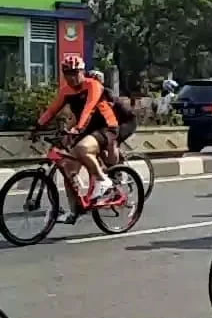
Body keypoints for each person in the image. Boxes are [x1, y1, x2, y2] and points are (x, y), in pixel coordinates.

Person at [35, 55, 119, 220]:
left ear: (82, 71)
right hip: (85, 130)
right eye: (67, 74)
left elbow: (89, 108)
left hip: (105, 127)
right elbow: (52, 110)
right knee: (68, 171)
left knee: (82, 149)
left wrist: (78, 128)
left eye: (75, 73)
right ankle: (75, 210)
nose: (72, 77)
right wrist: (38, 125)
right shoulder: (66, 90)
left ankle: (104, 181)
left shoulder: (93, 85)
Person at [89, 70, 137, 167]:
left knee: (113, 142)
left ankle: (116, 172)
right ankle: (113, 163)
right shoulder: (91, 94)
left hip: (127, 121)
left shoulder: (106, 93)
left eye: (95, 80)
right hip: (113, 122)